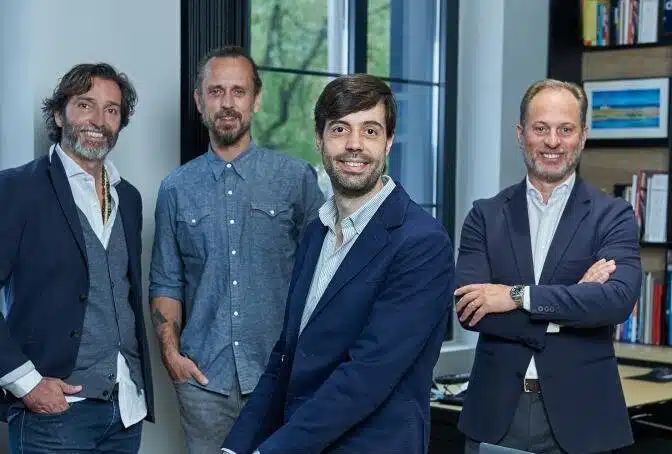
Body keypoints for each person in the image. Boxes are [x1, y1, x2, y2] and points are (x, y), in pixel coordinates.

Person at [221, 73, 454, 454]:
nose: (354, 144)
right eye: (340, 129)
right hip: (302, 442)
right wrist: (235, 447)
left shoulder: (422, 243)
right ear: (320, 138)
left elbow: (368, 374)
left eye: (370, 131)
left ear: (388, 141)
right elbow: (285, 357)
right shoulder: (316, 232)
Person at [149, 45, 324, 453]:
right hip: (204, 386)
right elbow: (166, 281)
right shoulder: (175, 189)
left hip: (281, 379)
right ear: (199, 101)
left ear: (256, 99)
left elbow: (325, 273)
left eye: (238, 91)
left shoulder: (295, 178)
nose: (227, 103)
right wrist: (172, 357)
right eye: (216, 92)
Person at [454, 79, 641, 454]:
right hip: (496, 414)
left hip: (583, 418)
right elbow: (470, 310)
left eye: (565, 130)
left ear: (582, 136)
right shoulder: (485, 216)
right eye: (540, 128)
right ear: (520, 134)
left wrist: (515, 296)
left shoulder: (613, 215)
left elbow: (616, 302)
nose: (552, 142)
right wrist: (574, 303)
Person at [0, 63, 154, 453]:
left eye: (111, 110)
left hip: (125, 410)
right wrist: (26, 383)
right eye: (85, 105)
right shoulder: (17, 189)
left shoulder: (128, 198)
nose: (98, 120)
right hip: (53, 416)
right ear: (58, 114)